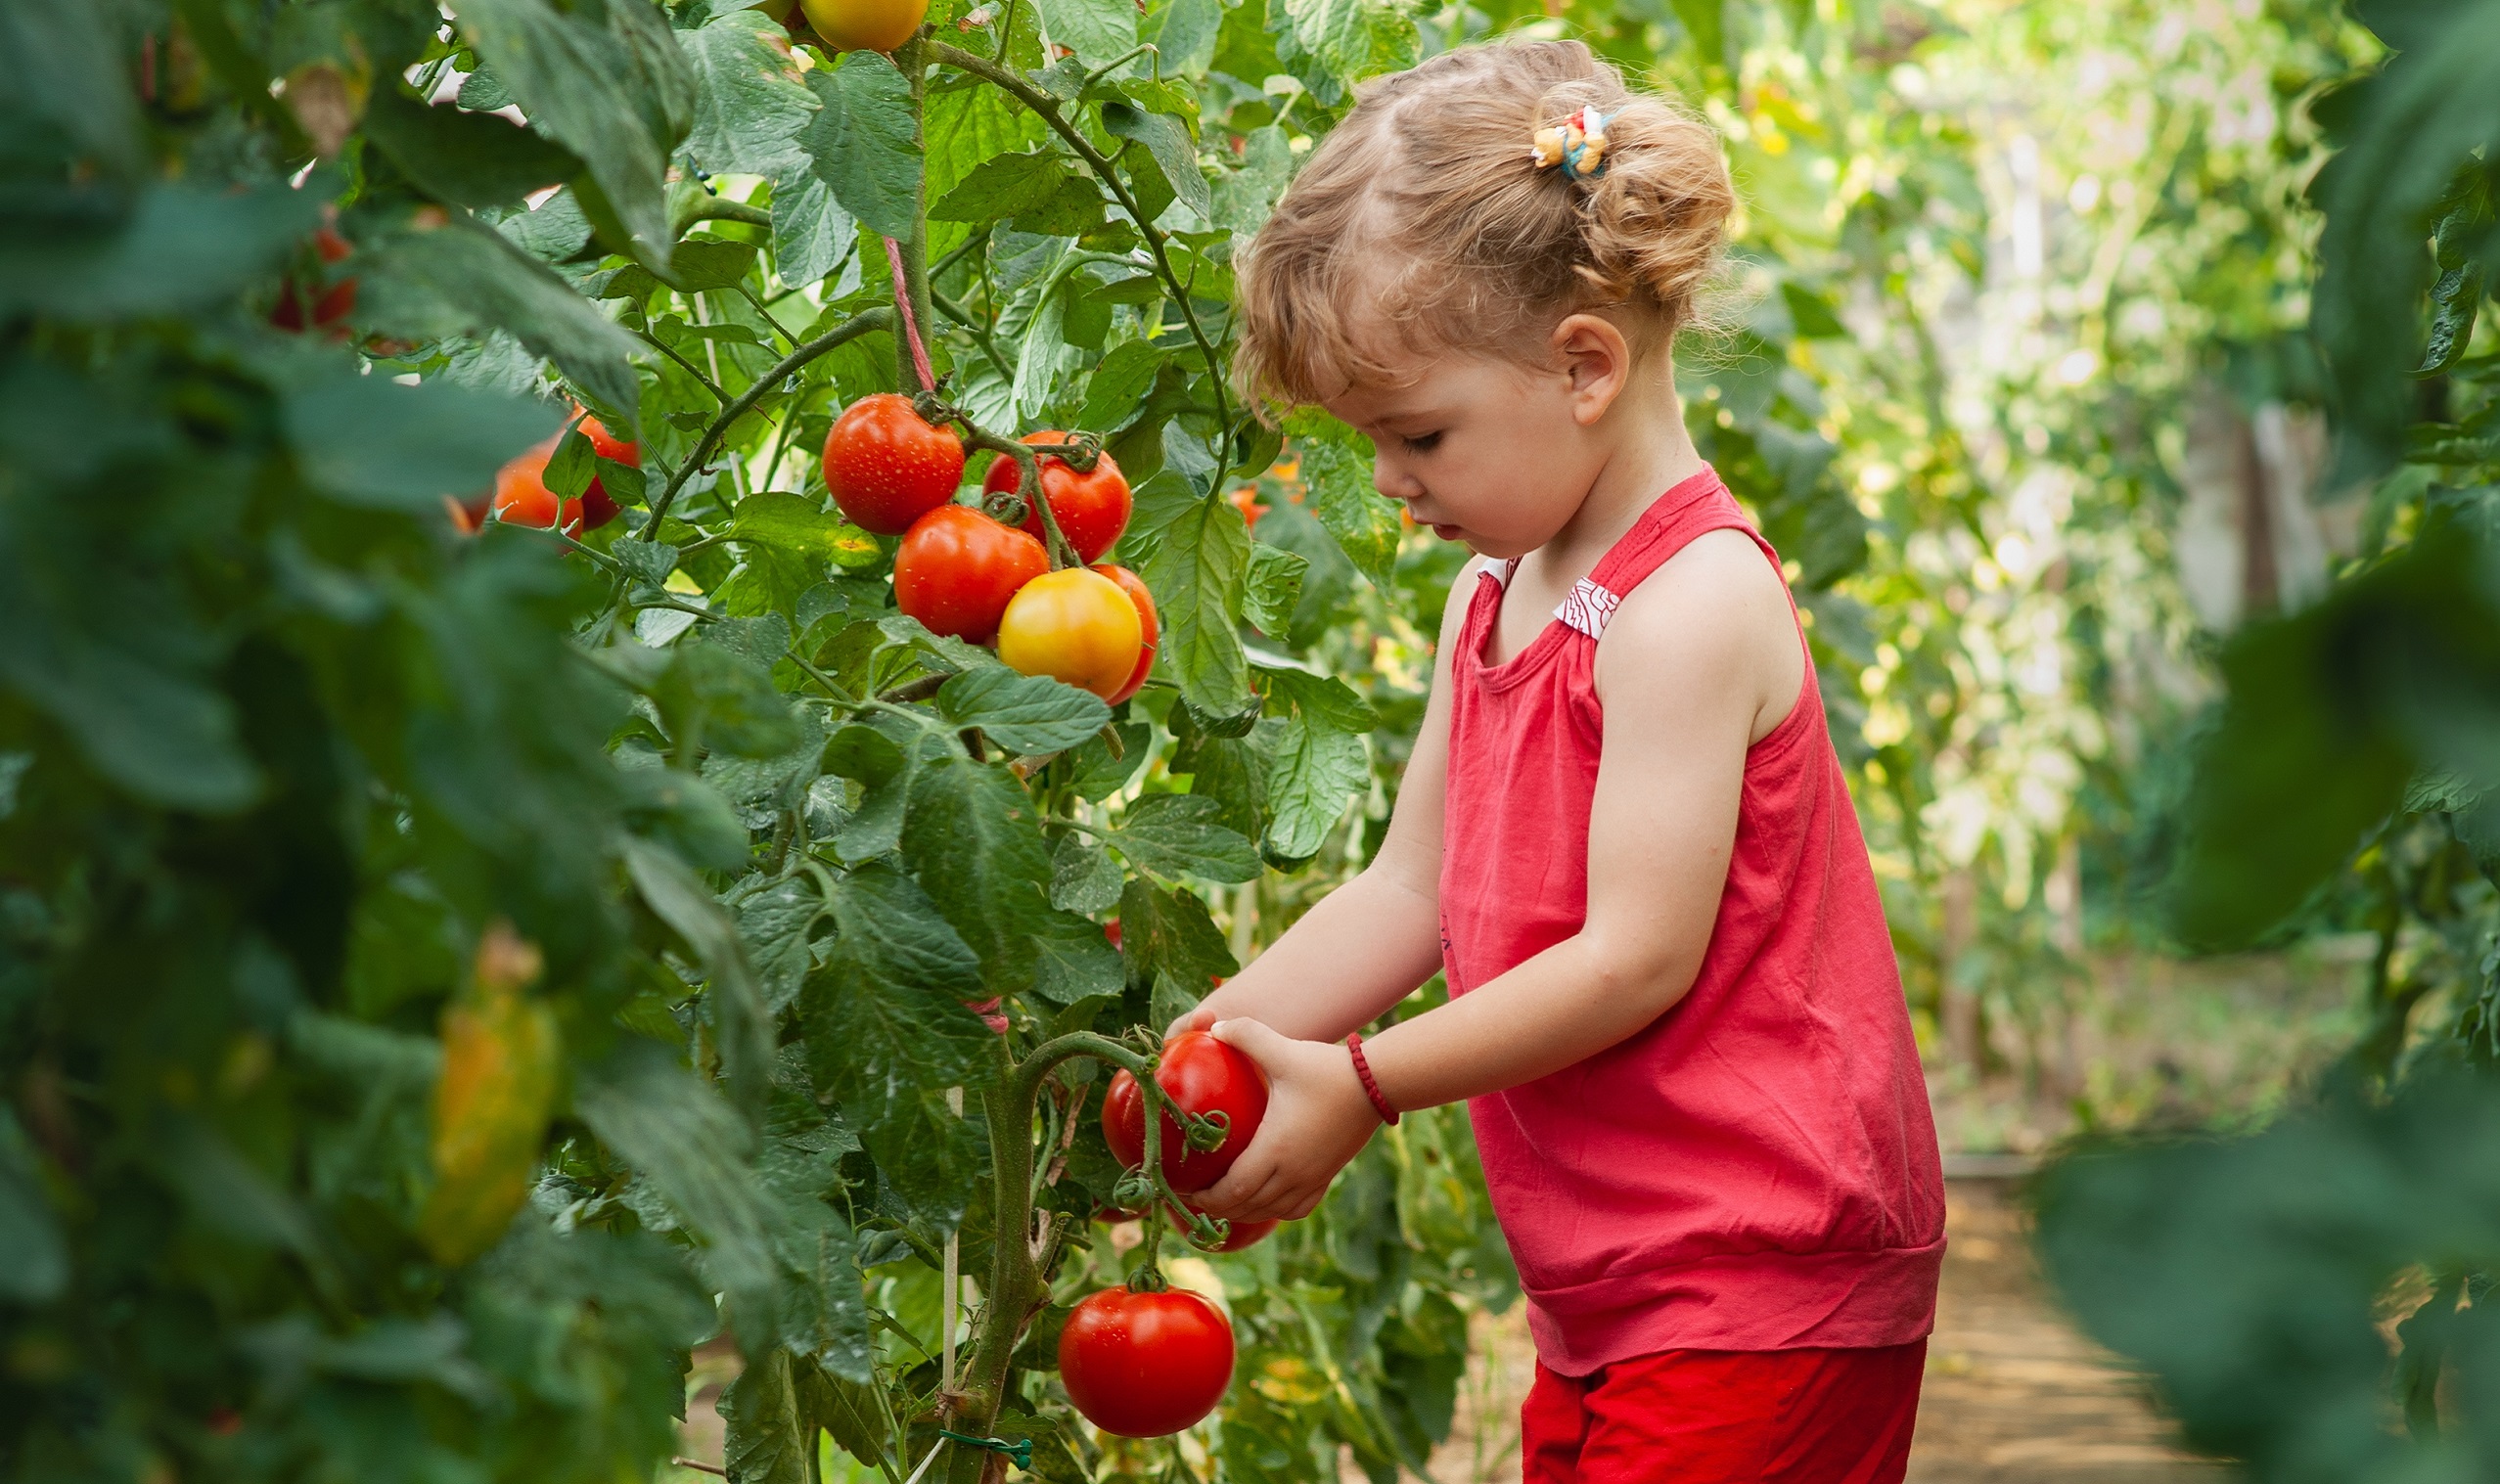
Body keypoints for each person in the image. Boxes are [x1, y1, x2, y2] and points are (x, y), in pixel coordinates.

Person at [1169, 38, 1947, 1484]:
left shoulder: (1690, 601)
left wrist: (1364, 1080)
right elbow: (1412, 894)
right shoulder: (1498, 591)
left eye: (1418, 434)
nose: (1392, 483)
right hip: (1617, 1284)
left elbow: (1632, 958)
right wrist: (1188, 1067)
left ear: (1582, 365)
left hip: (1765, 1273)